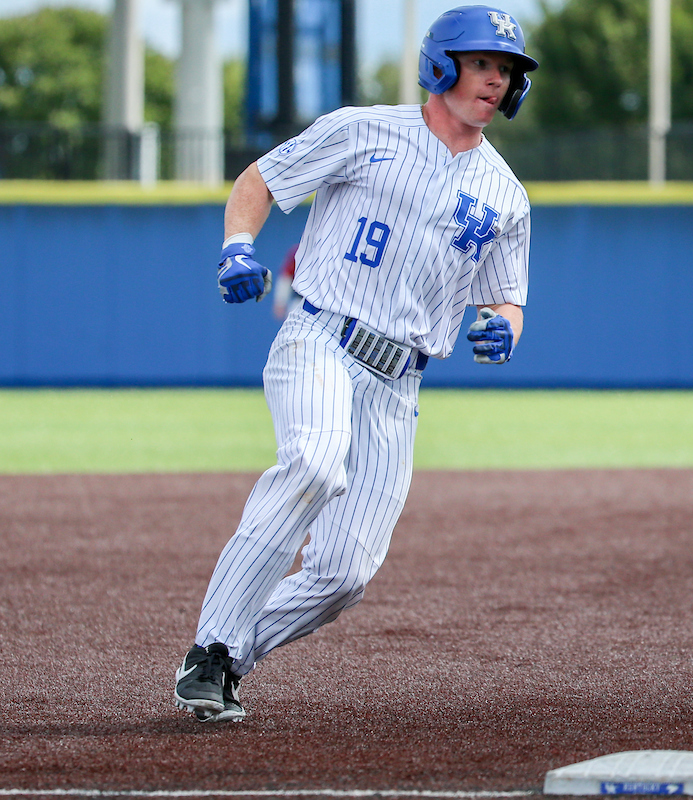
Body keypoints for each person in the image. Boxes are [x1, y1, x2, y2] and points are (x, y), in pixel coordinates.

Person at [172, 4, 536, 723]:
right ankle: (211, 647)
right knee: (314, 463)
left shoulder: (507, 195)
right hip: (322, 339)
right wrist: (237, 247)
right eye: (481, 62)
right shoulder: (361, 130)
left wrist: (503, 328)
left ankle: (226, 661)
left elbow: (506, 298)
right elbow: (260, 181)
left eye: (506, 70)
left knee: (344, 575)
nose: (495, 80)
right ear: (441, 65)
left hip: (399, 384)